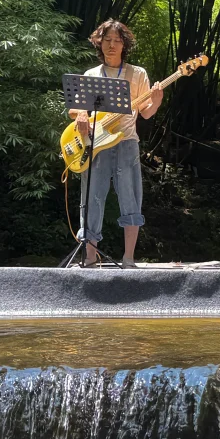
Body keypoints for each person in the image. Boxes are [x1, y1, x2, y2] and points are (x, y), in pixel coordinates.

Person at [69, 19, 163, 267]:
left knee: (131, 197)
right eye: (107, 40)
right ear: (99, 43)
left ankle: (129, 258)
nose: (112, 45)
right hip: (96, 143)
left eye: (117, 41)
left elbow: (146, 112)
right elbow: (76, 110)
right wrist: (81, 116)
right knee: (92, 198)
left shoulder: (137, 73)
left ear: (125, 44)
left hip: (127, 142)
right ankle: (90, 258)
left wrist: (158, 98)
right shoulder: (91, 75)